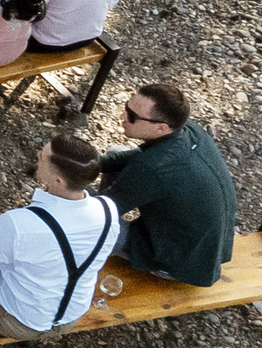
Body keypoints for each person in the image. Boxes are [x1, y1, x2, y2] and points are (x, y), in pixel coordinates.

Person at [0, 134, 120, 342]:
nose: (37, 154)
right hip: (71, 315)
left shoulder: (19, 224)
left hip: (17, 320)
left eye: (43, 156)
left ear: (58, 179)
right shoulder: (108, 210)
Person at [100, 84, 236, 287]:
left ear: (161, 127)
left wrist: (66, 179)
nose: (122, 116)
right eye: (126, 107)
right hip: (205, 249)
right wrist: (95, 163)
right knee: (115, 152)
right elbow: (140, 158)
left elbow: (97, 213)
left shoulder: (151, 168)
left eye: (132, 116)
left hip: (176, 263)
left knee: (81, 213)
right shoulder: (191, 130)